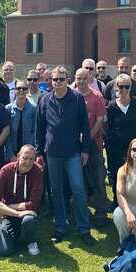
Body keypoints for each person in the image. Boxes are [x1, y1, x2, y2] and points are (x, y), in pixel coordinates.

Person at [36, 66, 96, 246]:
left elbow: (85, 127)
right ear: (51, 81)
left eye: (61, 79)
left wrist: (85, 150)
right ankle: (60, 226)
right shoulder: (44, 100)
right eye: (55, 79)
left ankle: (84, 228)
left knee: (78, 188)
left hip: (73, 152)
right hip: (52, 153)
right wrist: (39, 152)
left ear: (67, 80)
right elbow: (40, 129)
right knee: (56, 190)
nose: (58, 82)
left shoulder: (77, 98)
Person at [0, 145, 44, 256]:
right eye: (25, 158)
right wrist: (16, 213)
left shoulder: (38, 171)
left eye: (32, 159)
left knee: (29, 220)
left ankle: (31, 241)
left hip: (27, 213)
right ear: (18, 156)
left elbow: (33, 204)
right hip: (9, 214)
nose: (28, 162)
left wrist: (5, 208)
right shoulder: (6, 170)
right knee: (4, 251)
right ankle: (17, 233)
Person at [74, 67, 110, 228]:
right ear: (75, 79)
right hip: (74, 144)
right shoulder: (71, 95)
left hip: (94, 144)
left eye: (84, 78)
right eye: (79, 79)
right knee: (78, 179)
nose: (82, 82)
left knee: (98, 178)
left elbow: (100, 120)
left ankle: (101, 212)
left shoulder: (97, 96)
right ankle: (81, 211)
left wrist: (86, 140)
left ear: (90, 78)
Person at [105, 74, 136, 207]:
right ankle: (117, 199)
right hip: (116, 147)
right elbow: (108, 125)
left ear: (130, 87)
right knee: (117, 173)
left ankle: (133, 199)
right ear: (116, 87)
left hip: (133, 147)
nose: (123, 89)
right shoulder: (112, 105)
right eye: (121, 86)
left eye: (126, 86)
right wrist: (110, 141)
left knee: (134, 172)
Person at [5, 80, 37, 162]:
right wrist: (11, 155)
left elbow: (35, 131)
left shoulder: (34, 108)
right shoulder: (8, 109)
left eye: (24, 88)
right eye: (19, 88)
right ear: (15, 90)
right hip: (12, 150)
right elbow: (6, 133)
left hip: (28, 153)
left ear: (27, 90)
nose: (21, 90)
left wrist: (28, 150)